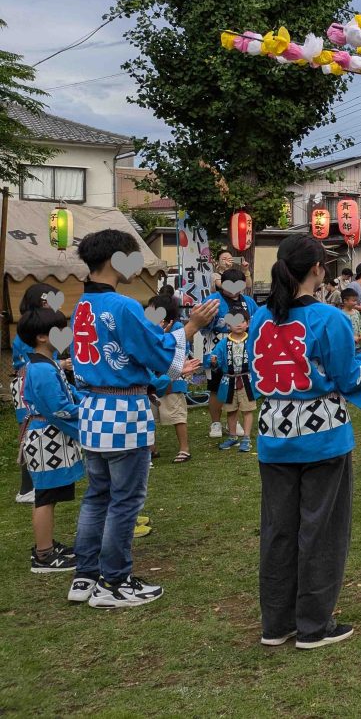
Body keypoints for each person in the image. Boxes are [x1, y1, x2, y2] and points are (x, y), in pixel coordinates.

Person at [248, 235, 361, 648]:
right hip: (321, 432)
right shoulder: (328, 319)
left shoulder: (260, 317)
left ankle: (277, 623)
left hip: (273, 431)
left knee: (278, 530)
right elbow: (347, 375)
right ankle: (313, 625)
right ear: (318, 269)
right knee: (320, 530)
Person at [68, 229, 217, 608]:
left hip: (91, 412)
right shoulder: (123, 306)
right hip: (123, 413)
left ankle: (85, 576)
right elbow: (157, 353)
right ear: (117, 260)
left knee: (97, 496)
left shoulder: (82, 305)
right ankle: (115, 582)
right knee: (124, 501)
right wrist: (192, 327)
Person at [18, 307, 84, 573]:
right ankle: (44, 555)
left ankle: (46, 548)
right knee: (44, 497)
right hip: (47, 439)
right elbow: (56, 406)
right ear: (43, 337)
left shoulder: (45, 363)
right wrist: (87, 413)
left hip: (48, 437)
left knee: (49, 496)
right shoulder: (42, 369)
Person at [13, 283, 59, 504]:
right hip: (27, 384)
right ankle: (26, 488)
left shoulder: (38, 326)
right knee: (28, 430)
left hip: (32, 380)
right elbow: (31, 360)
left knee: (32, 430)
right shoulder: (29, 330)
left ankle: (31, 484)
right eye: (46, 300)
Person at [203, 267, 259, 440]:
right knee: (216, 385)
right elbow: (202, 324)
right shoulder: (213, 300)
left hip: (242, 347)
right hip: (218, 343)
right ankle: (215, 422)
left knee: (240, 384)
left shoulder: (248, 302)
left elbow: (255, 323)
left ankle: (233, 422)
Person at [147, 295, 192, 463]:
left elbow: (179, 350)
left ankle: (184, 448)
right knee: (150, 414)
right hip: (153, 379)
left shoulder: (177, 326)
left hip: (173, 378)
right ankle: (151, 448)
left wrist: (163, 336)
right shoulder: (151, 327)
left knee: (177, 414)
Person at [209, 313, 256, 454]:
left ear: (247, 323)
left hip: (247, 380)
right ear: (228, 325)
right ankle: (233, 436)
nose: (239, 324)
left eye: (242, 321)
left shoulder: (252, 340)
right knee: (231, 410)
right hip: (228, 381)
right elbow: (216, 361)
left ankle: (246, 438)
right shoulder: (223, 343)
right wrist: (214, 361)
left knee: (247, 409)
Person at [339, 287, 361, 352]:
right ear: (345, 301)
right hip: (347, 347)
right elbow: (340, 332)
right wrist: (352, 338)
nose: (355, 303)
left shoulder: (357, 312)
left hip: (358, 346)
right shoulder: (341, 314)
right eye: (353, 301)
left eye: (356, 300)